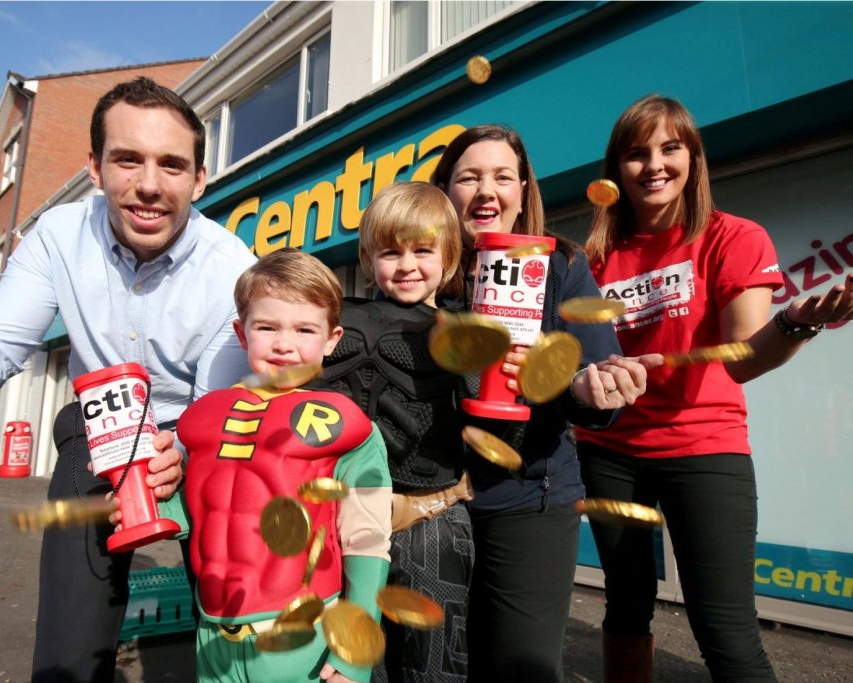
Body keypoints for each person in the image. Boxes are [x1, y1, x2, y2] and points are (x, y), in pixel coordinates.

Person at [0, 76, 257, 682]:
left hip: (197, 431)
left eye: (171, 165)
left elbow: (215, 405)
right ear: (94, 166)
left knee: (233, 604)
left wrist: (185, 450)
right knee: (73, 615)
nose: (149, 186)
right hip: (101, 427)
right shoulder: (57, 236)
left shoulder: (233, 268)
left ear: (199, 179)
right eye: (127, 159)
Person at [576, 94, 853, 683]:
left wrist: (797, 322)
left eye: (669, 149)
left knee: (723, 628)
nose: (653, 165)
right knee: (625, 607)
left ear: (692, 158)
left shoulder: (733, 237)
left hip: (705, 449)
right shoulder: (596, 257)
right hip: (609, 453)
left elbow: (745, 359)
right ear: (615, 169)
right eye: (635, 153)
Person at [431, 124, 648, 682]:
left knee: (520, 669)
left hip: (531, 496)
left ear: (523, 192)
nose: (486, 191)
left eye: (503, 177)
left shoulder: (563, 268)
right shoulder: (422, 271)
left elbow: (594, 377)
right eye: (468, 177)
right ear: (444, 192)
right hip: (432, 504)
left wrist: (589, 386)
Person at [150, 248, 392, 683]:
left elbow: (368, 540)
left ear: (332, 339)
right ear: (242, 334)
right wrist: (140, 507)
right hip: (213, 634)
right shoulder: (204, 418)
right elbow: (199, 510)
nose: (284, 344)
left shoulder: (349, 428)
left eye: (304, 329)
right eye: (267, 327)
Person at [321, 181, 472, 682]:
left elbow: (498, 429)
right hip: (340, 519)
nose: (406, 265)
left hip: (428, 518)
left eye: (423, 250)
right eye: (390, 251)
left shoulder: (465, 329)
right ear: (368, 257)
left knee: (432, 666)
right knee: (352, 664)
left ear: (449, 258)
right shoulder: (333, 316)